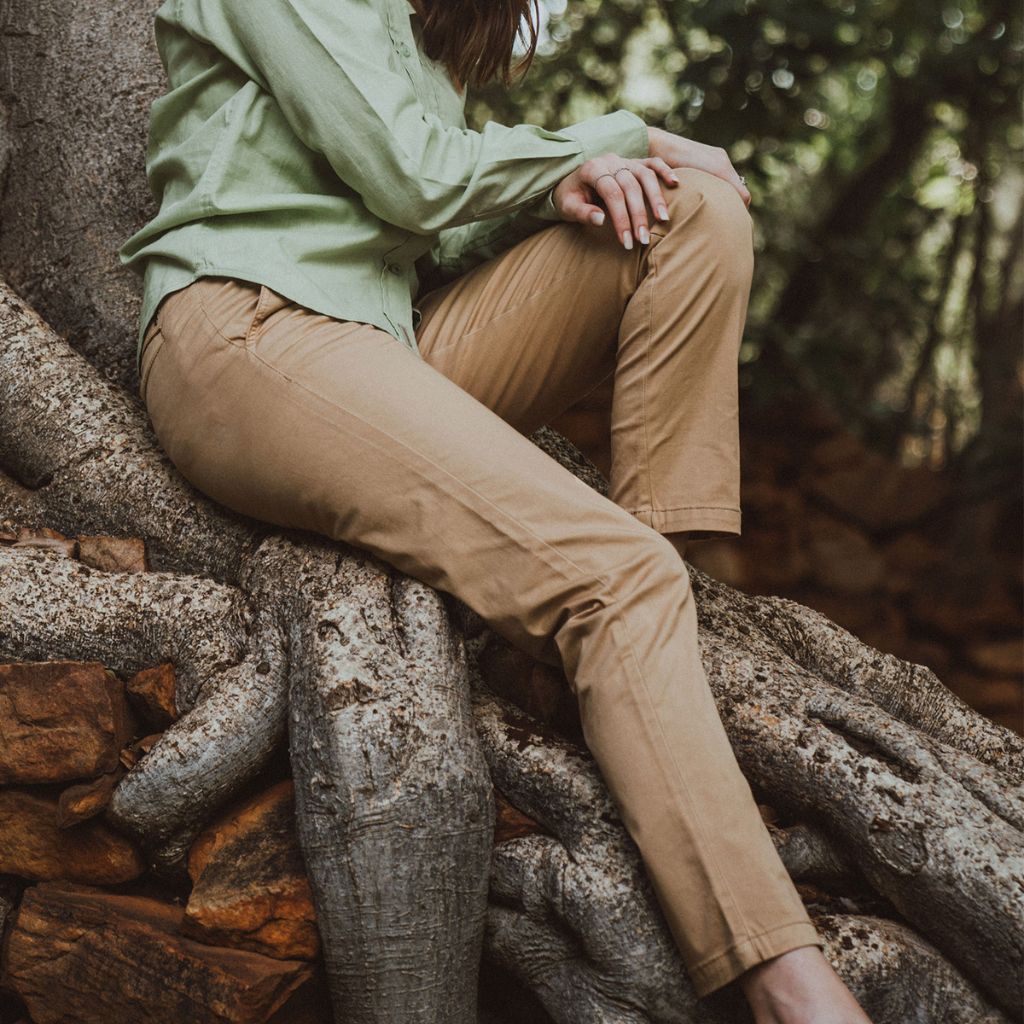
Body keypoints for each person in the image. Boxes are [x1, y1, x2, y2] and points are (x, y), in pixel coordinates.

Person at [119, 0, 874, 1019]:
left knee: (688, 207)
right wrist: (626, 136)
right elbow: (412, 174)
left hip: (387, 339)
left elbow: (439, 225)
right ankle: (787, 983)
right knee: (616, 580)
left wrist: (586, 182)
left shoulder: (419, 22)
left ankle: (639, 650)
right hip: (253, 335)